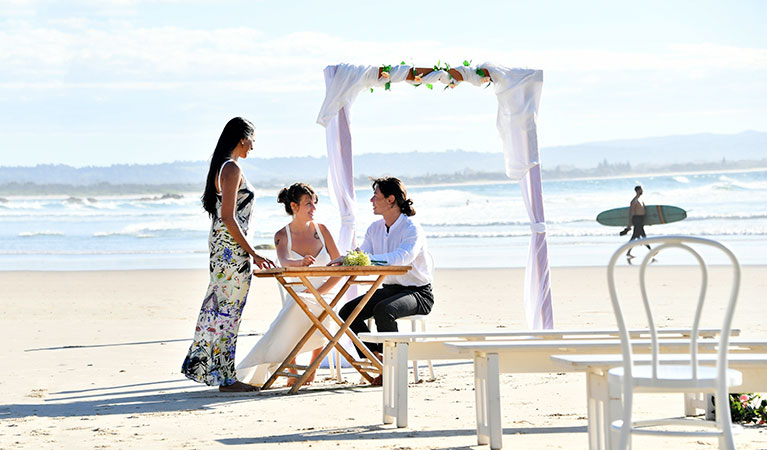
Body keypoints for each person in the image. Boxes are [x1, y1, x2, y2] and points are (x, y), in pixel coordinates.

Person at [181, 117, 276, 393]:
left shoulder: (223, 167)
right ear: (243, 138)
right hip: (231, 249)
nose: (253, 147)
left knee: (220, 308)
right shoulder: (232, 168)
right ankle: (225, 378)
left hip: (222, 247)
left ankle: (218, 372)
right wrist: (254, 253)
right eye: (253, 141)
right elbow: (229, 217)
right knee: (228, 310)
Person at [236, 183, 342, 387]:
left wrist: (318, 292)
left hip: (327, 293)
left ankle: (313, 367)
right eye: (308, 204)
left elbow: (338, 265)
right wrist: (299, 263)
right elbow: (283, 261)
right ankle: (291, 368)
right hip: (298, 294)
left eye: (314, 203)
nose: (314, 208)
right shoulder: (281, 235)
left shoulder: (323, 231)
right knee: (295, 304)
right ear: (294, 206)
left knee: (317, 309)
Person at [331, 177, 434, 385]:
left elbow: (402, 258)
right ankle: (376, 357)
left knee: (383, 310)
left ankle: (394, 369)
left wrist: (367, 259)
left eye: (376, 196)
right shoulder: (374, 228)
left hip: (418, 293)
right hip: (389, 290)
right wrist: (348, 259)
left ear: (391, 200)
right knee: (347, 312)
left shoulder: (412, 228)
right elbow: (364, 254)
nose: (371, 200)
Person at [625, 185, 652, 258]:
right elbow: (631, 213)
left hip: (641, 220)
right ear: (637, 191)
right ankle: (651, 251)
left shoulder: (641, 200)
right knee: (643, 236)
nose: (642, 191)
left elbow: (644, 211)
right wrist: (629, 224)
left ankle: (628, 252)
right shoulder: (634, 201)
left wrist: (649, 221)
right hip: (636, 220)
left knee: (634, 237)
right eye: (641, 190)